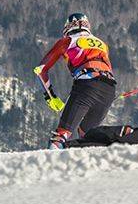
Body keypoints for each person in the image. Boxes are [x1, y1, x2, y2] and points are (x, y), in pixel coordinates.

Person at [36, 12, 117, 149]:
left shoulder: (68, 41)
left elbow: (40, 70)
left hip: (87, 84)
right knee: (87, 138)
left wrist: (51, 97)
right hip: (109, 89)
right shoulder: (102, 44)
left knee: (61, 135)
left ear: (67, 28)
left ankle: (52, 162)